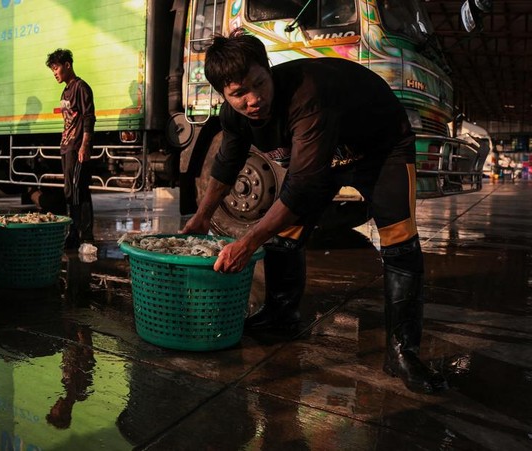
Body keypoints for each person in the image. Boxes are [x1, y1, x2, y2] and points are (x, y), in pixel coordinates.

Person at [181, 31, 447, 394]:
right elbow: (227, 165)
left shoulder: (307, 95)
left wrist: (246, 241)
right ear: (224, 95)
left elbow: (302, 185)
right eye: (239, 94)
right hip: (330, 154)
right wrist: (201, 216)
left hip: (382, 147)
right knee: (284, 236)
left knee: (399, 241)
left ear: (268, 69)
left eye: (260, 83)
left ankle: (403, 353)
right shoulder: (234, 117)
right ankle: (282, 315)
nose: (254, 99)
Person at [46, 48, 95, 248]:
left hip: (76, 147)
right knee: (72, 191)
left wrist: (85, 145)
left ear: (67, 65)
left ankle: (79, 234)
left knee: (77, 190)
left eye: (56, 68)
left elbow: (88, 118)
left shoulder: (81, 87)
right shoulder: (66, 90)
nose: (55, 73)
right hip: (66, 147)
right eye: (52, 70)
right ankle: (80, 232)